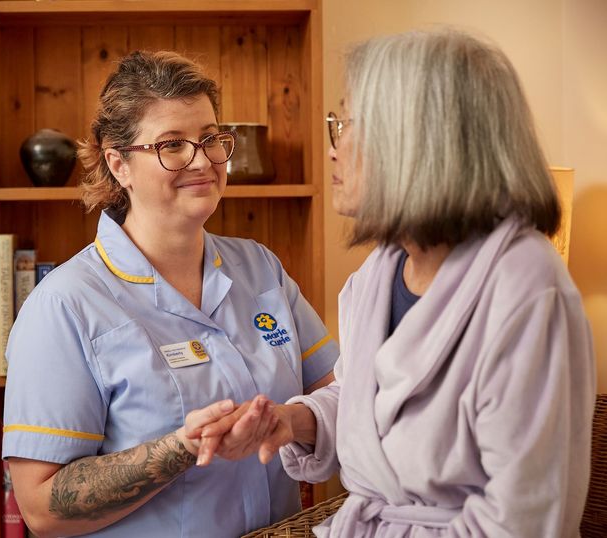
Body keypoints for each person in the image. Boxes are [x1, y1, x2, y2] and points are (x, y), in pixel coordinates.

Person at [202, 29, 596, 536]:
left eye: (345, 123)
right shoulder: (381, 270)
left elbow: (524, 518)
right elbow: (367, 401)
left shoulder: (528, 290)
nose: (334, 148)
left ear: (419, 139)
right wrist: (293, 421)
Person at [1, 50, 338, 538]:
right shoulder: (64, 305)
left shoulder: (260, 267)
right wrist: (178, 449)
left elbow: (341, 397)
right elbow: (42, 508)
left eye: (210, 139)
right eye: (171, 145)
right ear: (119, 164)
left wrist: (290, 420)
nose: (201, 160)